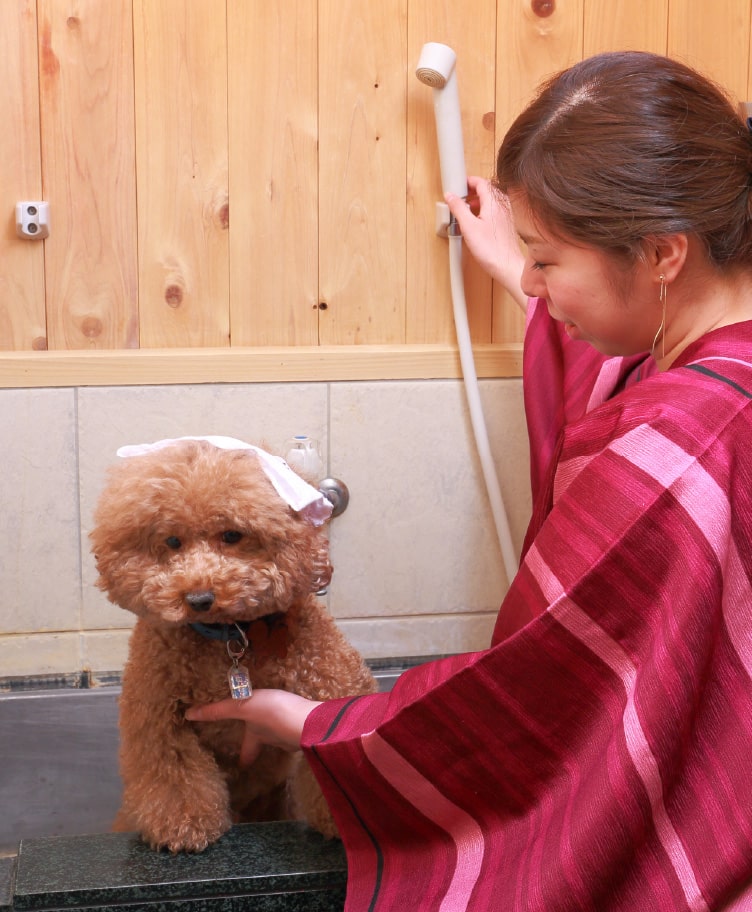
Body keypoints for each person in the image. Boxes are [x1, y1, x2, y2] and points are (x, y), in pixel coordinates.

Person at [186, 51, 752, 910]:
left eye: (546, 259)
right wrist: (516, 261)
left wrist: (321, 726)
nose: (531, 286)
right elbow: (614, 343)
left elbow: (545, 694)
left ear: (663, 252)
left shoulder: (680, 439)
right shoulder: (712, 364)